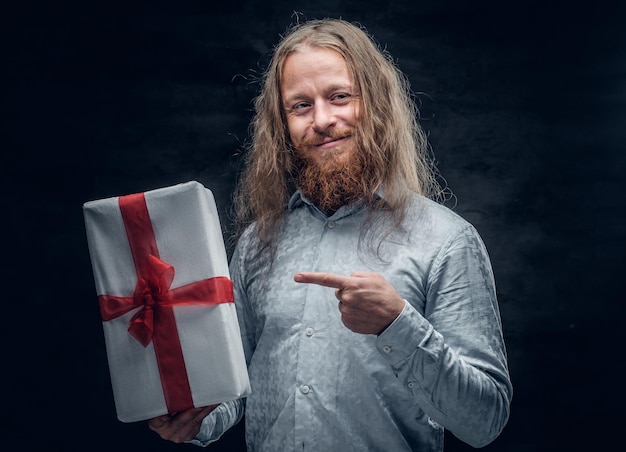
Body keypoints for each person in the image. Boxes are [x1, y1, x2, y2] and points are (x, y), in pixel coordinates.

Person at [149, 18, 512, 451]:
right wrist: (193, 419)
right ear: (282, 124)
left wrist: (397, 324)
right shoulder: (257, 243)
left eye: (339, 97)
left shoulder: (448, 240)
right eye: (300, 106)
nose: (321, 120)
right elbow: (235, 385)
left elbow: (484, 420)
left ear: (374, 104)